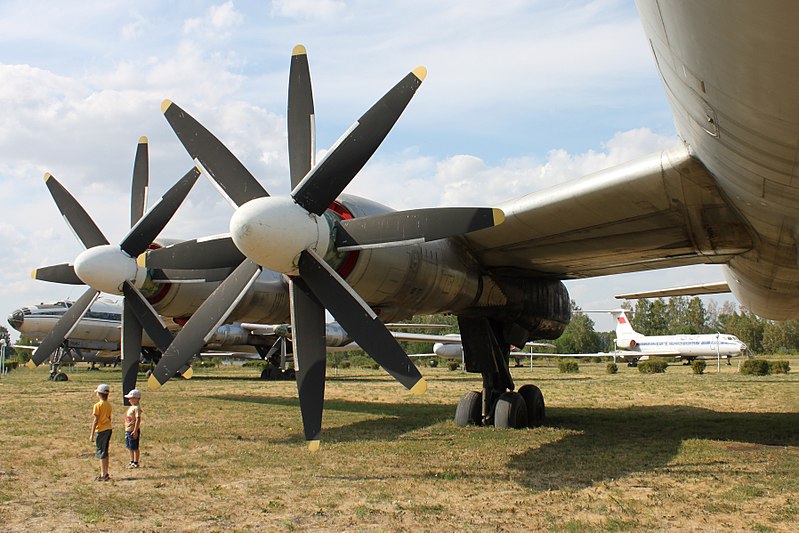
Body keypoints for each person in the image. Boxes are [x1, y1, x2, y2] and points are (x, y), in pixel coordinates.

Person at [90, 383, 112, 481]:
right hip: (108, 428)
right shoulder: (109, 405)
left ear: (99, 394)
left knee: (102, 452)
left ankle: (104, 474)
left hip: (101, 430)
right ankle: (105, 472)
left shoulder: (97, 405)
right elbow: (109, 418)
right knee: (105, 451)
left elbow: (96, 420)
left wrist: (92, 434)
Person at [124, 389, 142, 468]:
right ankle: (131, 461)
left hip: (132, 430)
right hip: (128, 430)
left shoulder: (137, 408)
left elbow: (138, 419)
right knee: (130, 447)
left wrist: (135, 431)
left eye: (131, 398)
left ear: (136, 398)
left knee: (135, 447)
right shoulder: (132, 407)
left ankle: (136, 462)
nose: (129, 400)